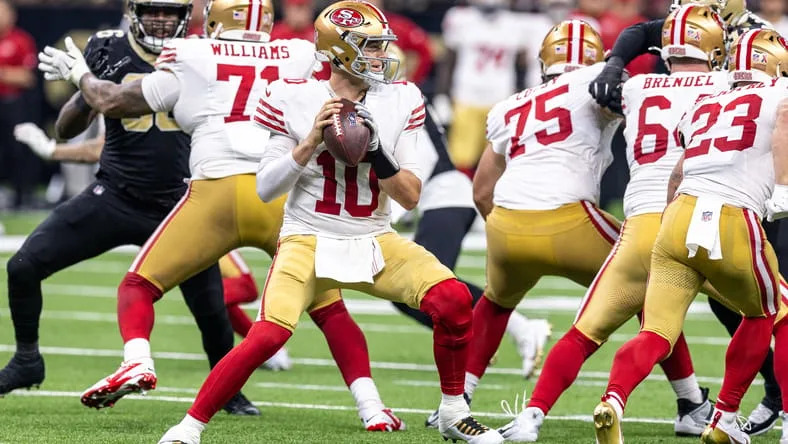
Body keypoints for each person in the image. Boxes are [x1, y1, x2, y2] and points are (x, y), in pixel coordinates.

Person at [39, 0, 403, 432]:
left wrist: (79, 75)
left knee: (138, 286)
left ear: (212, 19)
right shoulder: (297, 53)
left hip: (217, 188)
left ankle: (137, 361)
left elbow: (113, 102)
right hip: (278, 194)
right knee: (329, 308)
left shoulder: (193, 53)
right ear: (266, 20)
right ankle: (372, 407)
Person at [155, 1, 504, 442]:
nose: (381, 56)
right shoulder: (293, 96)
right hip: (308, 238)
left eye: (382, 46)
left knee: (452, 300)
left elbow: (411, 195)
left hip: (375, 237)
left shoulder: (402, 98)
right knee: (268, 335)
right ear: (339, 51)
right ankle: (188, 427)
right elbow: (265, 188)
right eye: (370, 47)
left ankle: (453, 412)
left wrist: (378, 152)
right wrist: (306, 146)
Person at [4, 0, 259, 415]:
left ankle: (228, 390)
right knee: (22, 267)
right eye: (153, 10)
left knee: (211, 306)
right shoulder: (107, 47)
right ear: (134, 11)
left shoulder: (202, 53)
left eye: (170, 12)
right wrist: (84, 91)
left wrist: (88, 82)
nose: (161, 19)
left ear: (185, 16)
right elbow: (71, 125)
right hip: (116, 196)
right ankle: (27, 359)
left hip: (182, 204)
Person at [496, 5, 729, 441]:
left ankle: (532, 417)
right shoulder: (728, 83)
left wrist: (615, 63)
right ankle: (753, 415)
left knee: (587, 333)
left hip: (642, 225)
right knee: (776, 314)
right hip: (704, 220)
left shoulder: (636, 87)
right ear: (715, 51)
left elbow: (633, 43)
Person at [588, 0, 787, 435]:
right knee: (775, 314)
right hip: (732, 216)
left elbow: (679, 167)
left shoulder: (706, 100)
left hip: (674, 217)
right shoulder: (779, 93)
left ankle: (613, 400)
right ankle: (730, 418)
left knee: (656, 330)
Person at [446, 21, 622, 423]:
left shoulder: (509, 105)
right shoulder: (599, 81)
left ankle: (459, 399)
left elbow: (481, 192)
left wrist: (516, 230)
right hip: (571, 220)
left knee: (495, 302)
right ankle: (689, 401)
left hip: (507, 224)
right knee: (657, 287)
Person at [384, 44, 551, 385]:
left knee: (421, 287)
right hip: (440, 197)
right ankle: (484, 335)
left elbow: (425, 160)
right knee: (414, 293)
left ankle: (514, 328)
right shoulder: (395, 100)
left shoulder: (400, 100)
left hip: (446, 194)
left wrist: (393, 209)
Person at [436, 0, 529, 177]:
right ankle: (462, 198)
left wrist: (520, 99)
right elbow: (448, 60)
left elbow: (521, 67)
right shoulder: (460, 18)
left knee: (498, 159)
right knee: (461, 159)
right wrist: (442, 95)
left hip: (501, 99)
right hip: (466, 96)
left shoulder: (516, 23)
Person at [0, 0, 37, 208]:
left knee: (17, 149)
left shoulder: (20, 40)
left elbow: (27, 77)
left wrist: (3, 73)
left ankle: (21, 196)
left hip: (12, 103)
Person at [366, 0, 432, 86]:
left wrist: (412, 81)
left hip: (391, 83)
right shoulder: (344, 29)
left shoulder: (399, 25)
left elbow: (424, 52)